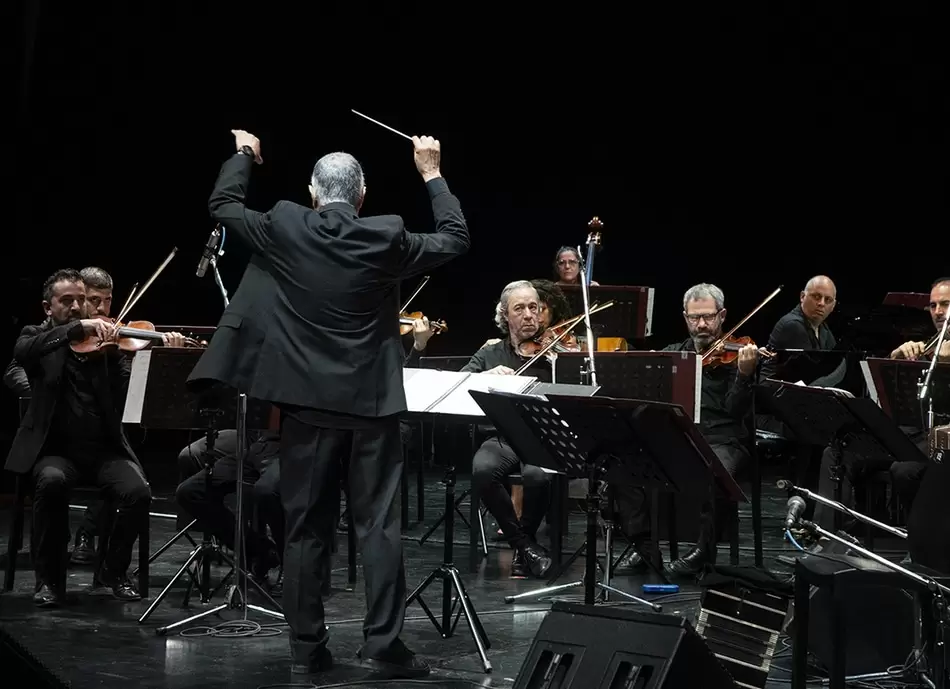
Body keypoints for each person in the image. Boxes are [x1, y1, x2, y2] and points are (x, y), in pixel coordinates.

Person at [187, 130, 469, 677]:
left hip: (307, 408)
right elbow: (455, 238)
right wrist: (431, 171)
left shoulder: (287, 225)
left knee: (305, 530)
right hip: (372, 407)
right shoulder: (386, 235)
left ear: (314, 193)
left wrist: (245, 153)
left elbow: (222, 205)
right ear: (361, 196)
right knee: (379, 530)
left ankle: (307, 650)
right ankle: (383, 647)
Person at [3, 266, 183, 568]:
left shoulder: (109, 348)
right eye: (88, 301)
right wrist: (42, 397)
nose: (94, 309)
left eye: (102, 301)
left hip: (101, 448)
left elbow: (133, 394)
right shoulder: (42, 336)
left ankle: (112, 572)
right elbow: (21, 355)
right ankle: (50, 575)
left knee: (137, 490)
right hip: (55, 448)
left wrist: (151, 357)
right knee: (51, 481)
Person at [615, 283, 759, 577]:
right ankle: (645, 547)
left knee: (717, 471)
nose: (702, 325)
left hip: (723, 439)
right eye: (695, 318)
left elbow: (736, 411)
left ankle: (703, 552)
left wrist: (745, 375)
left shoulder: (739, 358)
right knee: (621, 464)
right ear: (685, 317)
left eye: (708, 317)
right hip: (677, 437)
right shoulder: (674, 354)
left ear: (722, 316)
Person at [813, 277, 949, 532]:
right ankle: (827, 537)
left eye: (946, 304)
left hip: (941, 436)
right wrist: (896, 360)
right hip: (910, 432)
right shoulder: (931, 342)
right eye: (933, 306)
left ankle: (922, 544)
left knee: (906, 469)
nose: (939, 312)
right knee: (838, 451)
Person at [461, 280, 555, 579]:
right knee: (482, 471)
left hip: (542, 434)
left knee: (537, 475)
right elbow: (461, 380)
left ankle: (524, 543)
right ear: (505, 315)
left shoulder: (554, 351)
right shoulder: (490, 353)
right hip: (500, 437)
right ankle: (524, 545)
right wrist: (485, 375)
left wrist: (562, 365)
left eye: (534, 308)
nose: (529, 315)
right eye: (520, 309)